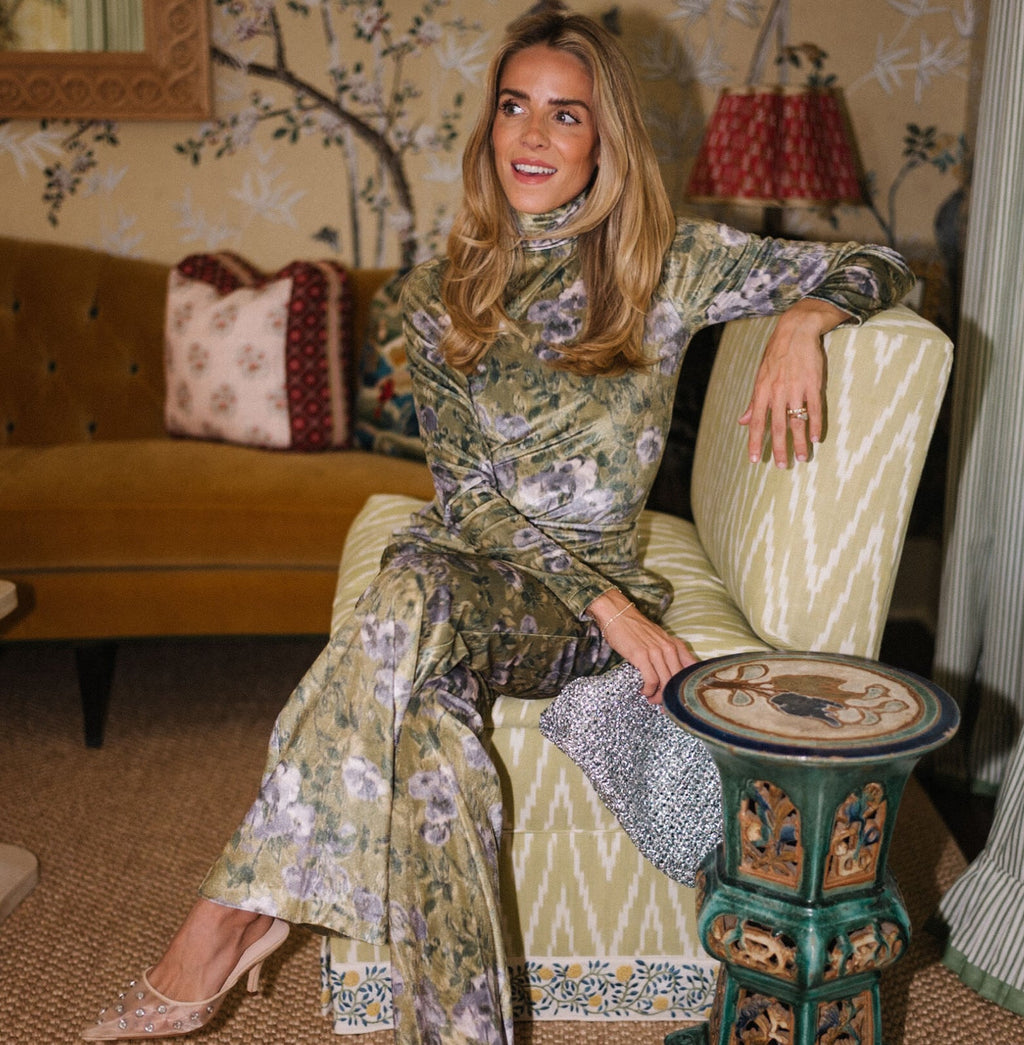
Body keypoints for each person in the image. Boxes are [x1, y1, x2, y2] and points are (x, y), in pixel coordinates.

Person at [80, 10, 914, 1044]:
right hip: (472, 581)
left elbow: (878, 262)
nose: (530, 134)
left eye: (565, 115)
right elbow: (466, 495)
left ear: (602, 142)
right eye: (513, 107)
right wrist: (611, 607)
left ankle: (227, 919)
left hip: (560, 615)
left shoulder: (667, 264)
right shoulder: (443, 294)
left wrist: (803, 319)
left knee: (408, 590)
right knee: (428, 721)